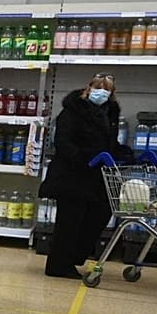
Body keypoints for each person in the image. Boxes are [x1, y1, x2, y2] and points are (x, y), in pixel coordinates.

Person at [39, 73, 132, 279]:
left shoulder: (110, 113)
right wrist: (85, 158)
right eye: (98, 87)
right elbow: (63, 142)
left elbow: (111, 143)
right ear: (88, 88)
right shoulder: (71, 112)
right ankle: (59, 265)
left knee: (100, 213)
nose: (102, 92)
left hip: (97, 177)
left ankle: (74, 257)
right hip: (72, 174)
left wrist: (125, 154)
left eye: (106, 89)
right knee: (69, 221)